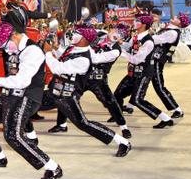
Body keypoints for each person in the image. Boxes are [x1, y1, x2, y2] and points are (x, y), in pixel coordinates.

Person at [0, 19, 63, 179]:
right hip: (11, 94)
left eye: (6, 45)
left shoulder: (33, 51)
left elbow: (22, 81)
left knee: (13, 135)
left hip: (27, 97)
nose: (6, 50)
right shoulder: (15, 48)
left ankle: (53, 167)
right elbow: (11, 76)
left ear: (14, 36)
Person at [44, 25, 132, 156]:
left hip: (80, 86)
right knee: (25, 103)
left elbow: (60, 67)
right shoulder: (78, 45)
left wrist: (47, 52)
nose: (72, 35)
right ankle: (30, 136)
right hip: (58, 89)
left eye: (120, 34)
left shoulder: (101, 53)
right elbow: (65, 56)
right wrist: (56, 49)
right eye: (115, 31)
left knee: (89, 118)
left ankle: (123, 140)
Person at [114, 14, 175, 129]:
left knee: (138, 99)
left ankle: (166, 119)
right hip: (133, 72)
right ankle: (118, 114)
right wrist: (120, 43)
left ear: (143, 25)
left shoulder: (148, 42)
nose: (134, 22)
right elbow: (129, 47)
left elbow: (136, 59)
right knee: (118, 94)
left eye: (137, 21)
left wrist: (118, 52)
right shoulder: (136, 37)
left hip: (144, 73)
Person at [149, 12, 189, 119]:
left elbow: (154, 40)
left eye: (178, 18)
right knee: (136, 81)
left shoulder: (172, 33)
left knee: (159, 87)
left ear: (179, 24)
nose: (174, 16)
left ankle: (177, 109)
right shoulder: (169, 30)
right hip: (153, 60)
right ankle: (129, 104)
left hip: (157, 61)